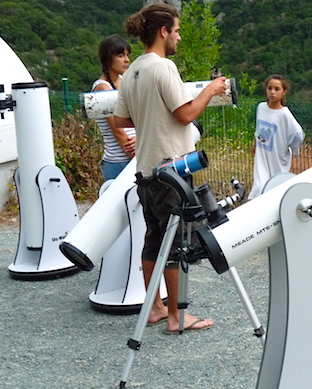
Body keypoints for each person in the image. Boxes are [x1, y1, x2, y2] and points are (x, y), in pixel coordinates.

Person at [113, 3, 228, 335]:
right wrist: (211, 89)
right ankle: (178, 318)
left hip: (145, 170)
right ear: (163, 32)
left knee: (152, 240)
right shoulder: (164, 68)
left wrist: (150, 117)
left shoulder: (133, 70)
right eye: (176, 30)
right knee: (176, 242)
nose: (178, 36)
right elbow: (186, 115)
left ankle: (155, 308)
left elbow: (121, 119)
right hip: (172, 171)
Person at [248, 75, 305, 199]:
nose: (272, 92)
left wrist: (292, 148)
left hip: (278, 158)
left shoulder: (284, 114)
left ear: (284, 92)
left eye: (277, 89)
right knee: (259, 186)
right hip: (262, 156)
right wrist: (256, 144)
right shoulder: (261, 107)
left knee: (276, 187)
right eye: (270, 88)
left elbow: (297, 133)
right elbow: (259, 128)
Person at [93, 34, 135, 181]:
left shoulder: (125, 81)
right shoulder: (102, 88)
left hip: (134, 156)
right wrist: (139, 156)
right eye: (121, 55)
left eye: (127, 55)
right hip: (119, 163)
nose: (127, 60)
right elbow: (118, 131)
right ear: (108, 58)